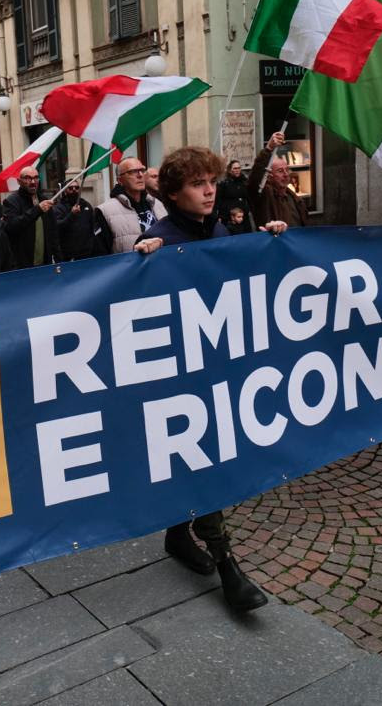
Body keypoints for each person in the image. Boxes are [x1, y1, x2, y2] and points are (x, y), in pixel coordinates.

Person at [136, 147, 286, 612]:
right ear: (174, 193)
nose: (208, 190)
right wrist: (141, 261)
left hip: (217, 369)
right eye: (197, 183)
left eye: (212, 182)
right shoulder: (160, 238)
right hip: (178, 379)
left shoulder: (218, 228)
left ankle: (178, 536)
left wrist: (266, 241)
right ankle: (227, 568)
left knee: (208, 459)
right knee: (203, 462)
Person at [93, 157, 167, 254]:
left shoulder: (158, 204)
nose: (140, 175)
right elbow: (101, 256)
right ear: (120, 180)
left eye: (142, 170)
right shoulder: (105, 211)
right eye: (132, 172)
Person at [2, 167, 62, 268]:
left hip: (45, 263)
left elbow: (53, 232)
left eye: (36, 178)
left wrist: (58, 259)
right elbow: (11, 227)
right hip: (23, 265)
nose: (33, 182)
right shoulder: (11, 201)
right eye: (28, 178)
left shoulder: (44, 199)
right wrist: (37, 210)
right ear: (19, 181)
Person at [248, 153, 309, 229]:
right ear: (269, 177)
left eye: (287, 170)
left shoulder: (292, 196)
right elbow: (254, 181)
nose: (286, 174)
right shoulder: (265, 195)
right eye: (280, 171)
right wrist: (268, 149)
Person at [52, 170, 97, 261]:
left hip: (87, 254)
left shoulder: (86, 205)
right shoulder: (59, 208)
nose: (74, 190)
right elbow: (58, 227)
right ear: (65, 191)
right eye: (70, 188)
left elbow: (93, 227)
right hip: (68, 256)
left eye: (76, 188)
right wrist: (71, 215)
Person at [216, 159, 251, 226]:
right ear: (230, 170)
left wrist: (248, 209)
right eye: (235, 168)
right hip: (230, 217)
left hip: (243, 216)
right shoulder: (224, 184)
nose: (237, 170)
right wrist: (220, 215)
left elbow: (248, 197)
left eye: (238, 168)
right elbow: (219, 200)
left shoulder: (244, 182)